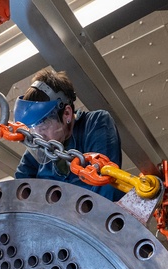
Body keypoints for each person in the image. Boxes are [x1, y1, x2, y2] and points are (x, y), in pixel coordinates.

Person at [13, 67, 123, 202]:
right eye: (32, 128)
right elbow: (18, 191)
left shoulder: (95, 123)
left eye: (43, 125)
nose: (37, 134)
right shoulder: (38, 148)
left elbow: (105, 184)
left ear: (67, 113)